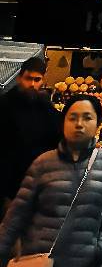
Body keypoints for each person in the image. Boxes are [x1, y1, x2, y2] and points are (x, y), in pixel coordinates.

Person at [0, 93, 102, 267]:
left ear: (98, 123)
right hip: (40, 265)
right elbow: (17, 214)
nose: (79, 124)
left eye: (87, 117)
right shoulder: (43, 163)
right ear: (63, 122)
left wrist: (101, 248)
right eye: (72, 118)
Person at [0, 55, 61, 210]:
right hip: (9, 182)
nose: (32, 84)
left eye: (37, 80)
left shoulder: (46, 107)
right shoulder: (5, 105)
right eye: (28, 79)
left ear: (43, 80)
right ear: (20, 78)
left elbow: (56, 138)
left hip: (38, 181)